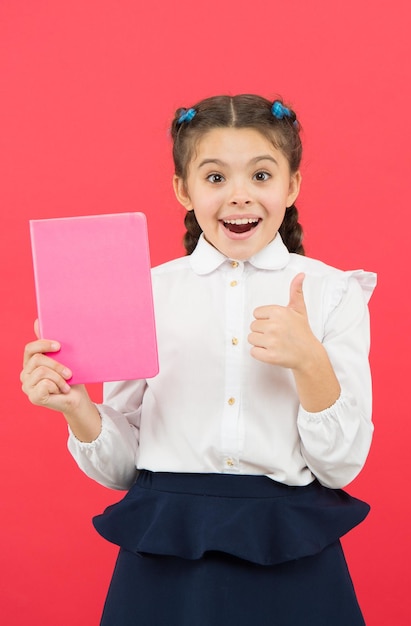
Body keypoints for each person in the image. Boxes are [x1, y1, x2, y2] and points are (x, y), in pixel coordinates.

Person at [21, 94, 376, 625]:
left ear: (292, 186)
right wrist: (78, 406)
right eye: (215, 178)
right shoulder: (142, 293)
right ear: (183, 190)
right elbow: (123, 470)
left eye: (261, 175)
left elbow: (340, 464)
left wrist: (310, 362)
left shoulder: (334, 292)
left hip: (290, 546)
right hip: (167, 550)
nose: (239, 196)